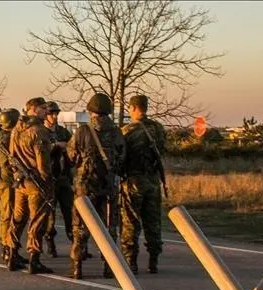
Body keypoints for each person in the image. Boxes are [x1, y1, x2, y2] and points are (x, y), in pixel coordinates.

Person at [66, 92, 125, 280]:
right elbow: (122, 156)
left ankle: (78, 266)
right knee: (110, 225)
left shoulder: (83, 131)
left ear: (91, 111)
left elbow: (72, 155)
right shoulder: (116, 132)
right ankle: (109, 266)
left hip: (85, 184)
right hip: (108, 183)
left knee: (80, 225)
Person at [120, 95, 167, 274]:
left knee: (131, 221)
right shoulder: (158, 129)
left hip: (133, 180)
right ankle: (153, 260)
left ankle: (131, 260)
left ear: (132, 108)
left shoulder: (127, 131)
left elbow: (121, 156)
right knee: (153, 221)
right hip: (153, 180)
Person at [8, 97, 55, 274]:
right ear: (33, 109)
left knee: (18, 218)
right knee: (37, 221)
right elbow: (43, 163)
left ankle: (12, 253)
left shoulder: (15, 130)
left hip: (20, 182)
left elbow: (12, 156)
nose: (46, 112)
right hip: (37, 183)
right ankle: (34, 258)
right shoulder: (39, 131)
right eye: (43, 108)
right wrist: (48, 181)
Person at [0, 108, 27, 267]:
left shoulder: (2, 136)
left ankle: (11, 248)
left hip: (7, 180)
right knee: (9, 214)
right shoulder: (4, 138)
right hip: (8, 182)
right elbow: (8, 161)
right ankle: (7, 248)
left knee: (11, 214)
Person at [40, 101, 74, 258]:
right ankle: (50, 242)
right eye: (51, 114)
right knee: (50, 214)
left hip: (64, 177)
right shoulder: (41, 133)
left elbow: (73, 147)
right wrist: (55, 146)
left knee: (70, 212)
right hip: (50, 179)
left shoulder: (63, 131)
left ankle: (76, 244)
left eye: (56, 114)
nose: (54, 116)